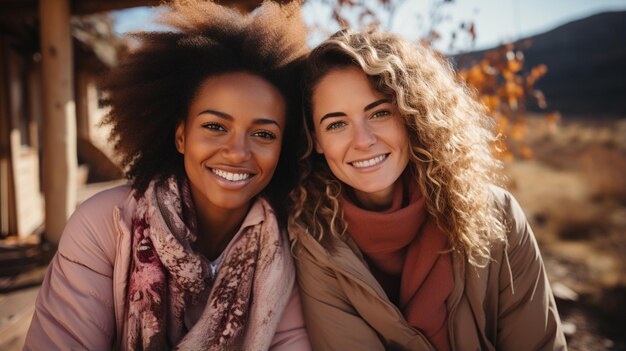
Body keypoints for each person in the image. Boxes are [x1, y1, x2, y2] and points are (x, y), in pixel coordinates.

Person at [24, 1, 310, 350]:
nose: (237, 152)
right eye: (215, 126)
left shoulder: (289, 245)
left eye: (264, 134)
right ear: (180, 136)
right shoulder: (105, 225)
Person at [288, 28, 567, 350]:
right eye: (336, 124)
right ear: (316, 140)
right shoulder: (312, 242)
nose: (363, 141)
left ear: (411, 115)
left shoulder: (496, 215)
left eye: (379, 113)